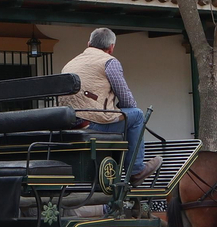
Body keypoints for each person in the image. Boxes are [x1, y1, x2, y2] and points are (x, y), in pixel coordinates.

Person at [60, 28, 163, 183]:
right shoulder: (109, 62)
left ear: (89, 44)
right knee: (136, 115)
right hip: (93, 124)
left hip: (70, 123)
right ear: (111, 47)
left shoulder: (70, 63)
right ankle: (136, 170)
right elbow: (126, 99)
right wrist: (123, 109)